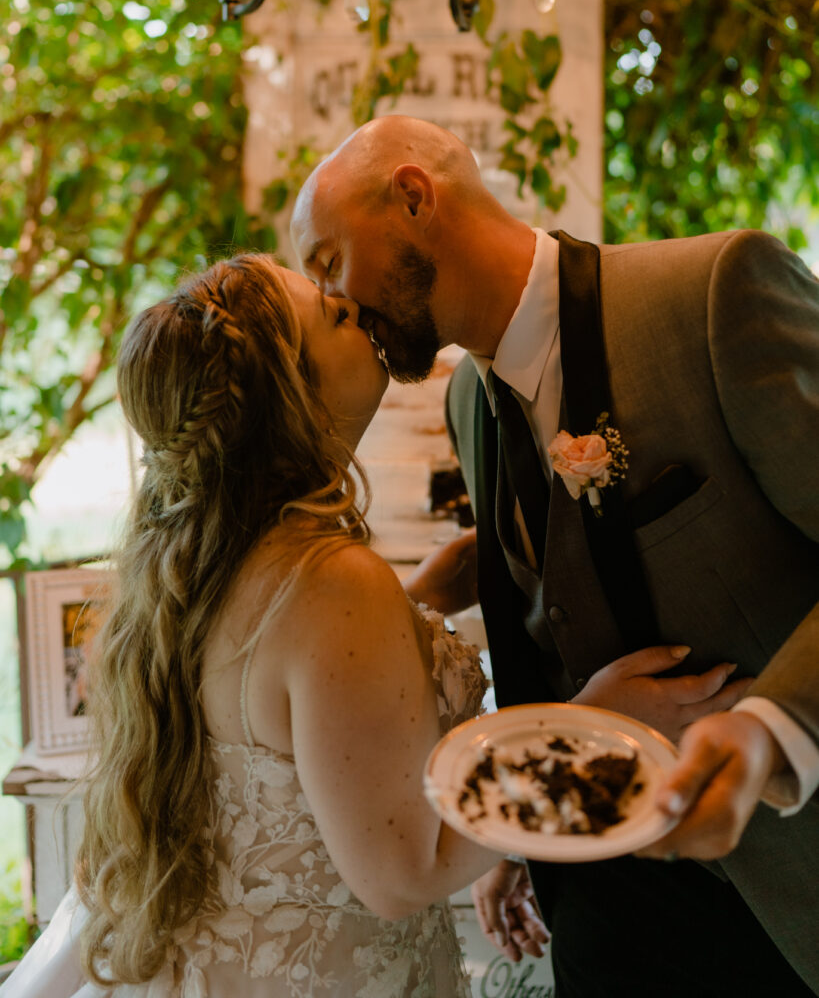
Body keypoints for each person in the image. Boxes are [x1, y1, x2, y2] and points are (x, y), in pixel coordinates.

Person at [290, 115, 819, 997]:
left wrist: (770, 729)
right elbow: (545, 628)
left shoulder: (709, 294)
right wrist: (523, 838)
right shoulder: (469, 398)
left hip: (781, 885)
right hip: (597, 907)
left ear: (415, 197)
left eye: (328, 262)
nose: (336, 302)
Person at [0, 252, 551, 998]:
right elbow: (402, 872)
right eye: (330, 313)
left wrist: (415, 602)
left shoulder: (192, 566)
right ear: (290, 393)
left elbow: (271, 699)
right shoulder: (330, 582)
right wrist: (595, 726)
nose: (351, 305)